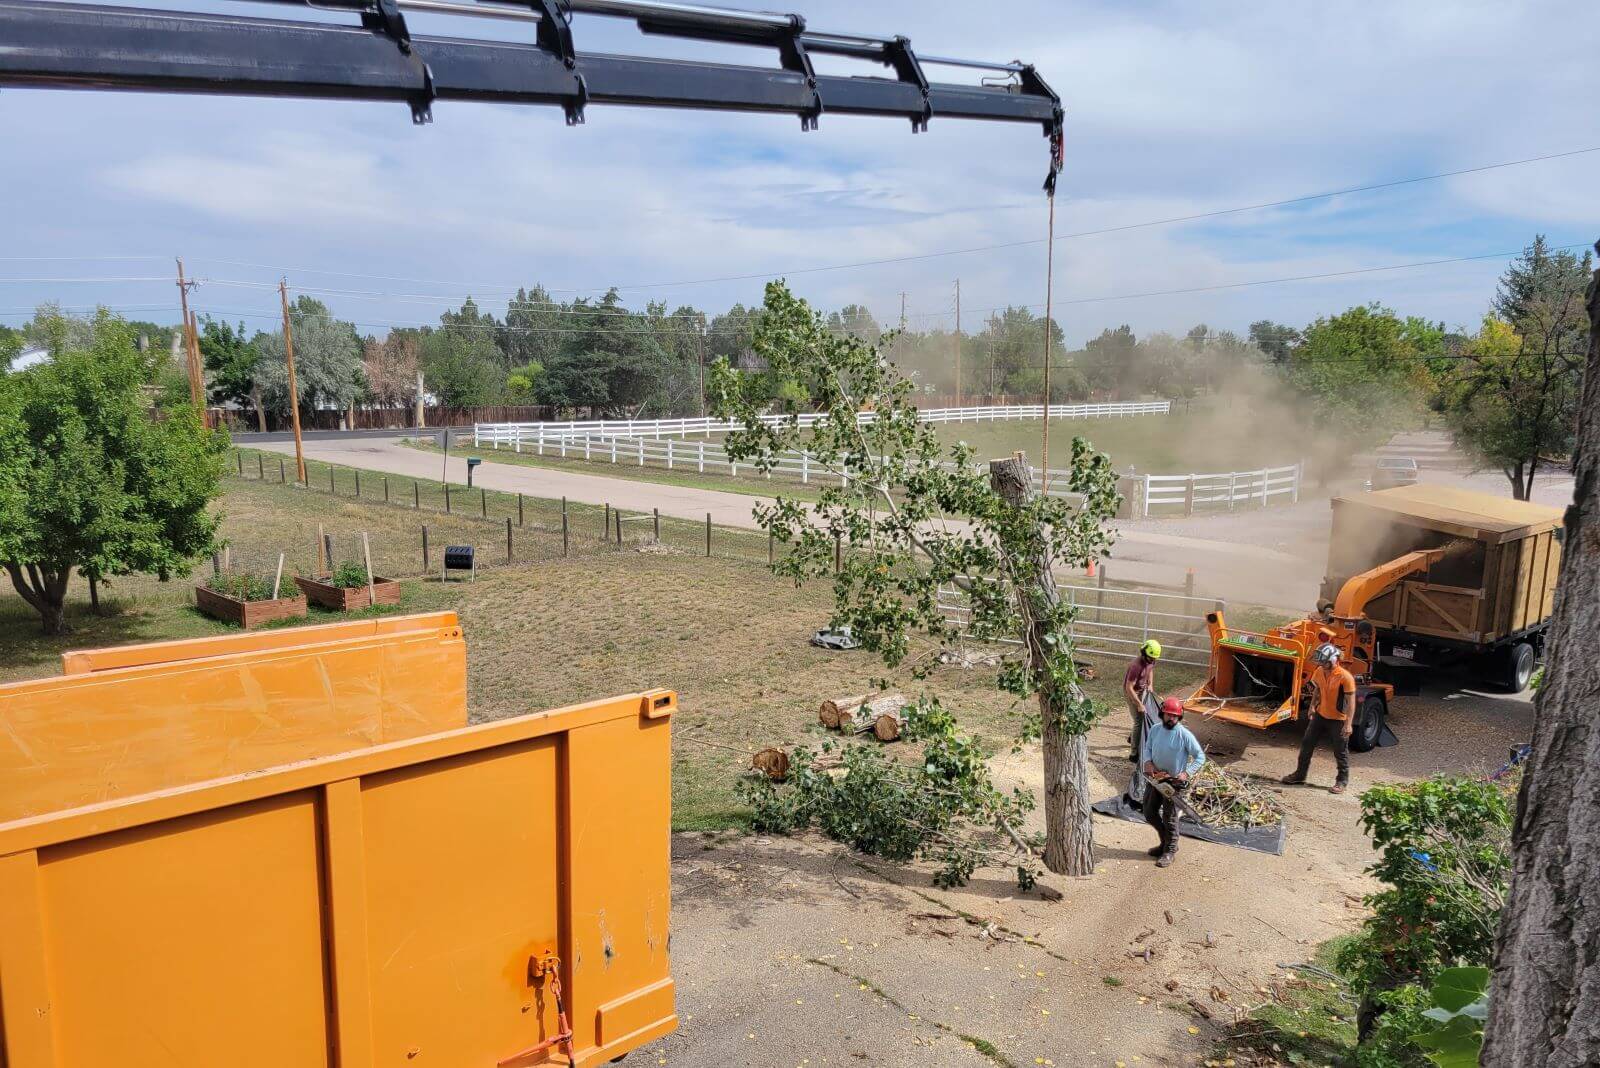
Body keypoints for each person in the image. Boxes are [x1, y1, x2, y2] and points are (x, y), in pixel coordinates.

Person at [1282, 642, 1355, 794]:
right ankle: (1300, 775)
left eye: (1325, 661)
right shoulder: (1320, 671)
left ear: (1334, 660)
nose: (1322, 663)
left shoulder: (1345, 677)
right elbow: (1318, 690)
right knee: (1307, 744)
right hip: (1320, 716)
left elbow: (1351, 702)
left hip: (1338, 720)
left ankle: (1341, 781)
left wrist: (1348, 724)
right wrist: (1312, 706)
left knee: (1340, 751)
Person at [1142, 697, 1205, 868]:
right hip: (1156, 778)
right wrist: (1148, 762)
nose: (1171, 718)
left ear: (1180, 716)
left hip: (1174, 782)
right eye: (1169, 715)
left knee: (1169, 817)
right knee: (1148, 811)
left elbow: (1200, 757)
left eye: (1175, 716)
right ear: (1162, 714)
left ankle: (1169, 851)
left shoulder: (1184, 735)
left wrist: (1186, 773)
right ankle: (1166, 843)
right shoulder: (1155, 730)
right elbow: (1147, 747)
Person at [1123, 639, 1161, 761]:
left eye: (1154, 658)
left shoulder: (1151, 660)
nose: (1152, 660)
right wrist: (1138, 704)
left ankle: (1132, 736)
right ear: (1144, 653)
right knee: (1139, 721)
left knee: (1147, 714)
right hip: (1132, 692)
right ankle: (1133, 753)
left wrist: (1150, 685)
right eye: (1150, 658)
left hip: (1142, 691)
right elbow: (1129, 687)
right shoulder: (1136, 666)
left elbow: (1150, 670)